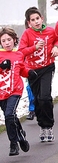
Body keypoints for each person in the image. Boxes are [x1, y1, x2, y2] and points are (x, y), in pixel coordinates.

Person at [19, 7, 58, 142]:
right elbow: (21, 52)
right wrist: (34, 48)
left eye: (37, 18)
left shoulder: (50, 31)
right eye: (33, 20)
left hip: (47, 67)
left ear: (42, 18)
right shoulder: (27, 34)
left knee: (45, 97)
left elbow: (57, 41)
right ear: (29, 22)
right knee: (37, 100)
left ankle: (49, 126)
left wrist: (56, 47)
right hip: (33, 70)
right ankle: (42, 125)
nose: (36, 22)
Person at [0, 27, 30, 156]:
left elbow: (22, 70)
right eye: (4, 41)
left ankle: (13, 143)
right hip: (2, 91)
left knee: (9, 115)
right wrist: (1, 67)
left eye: (9, 40)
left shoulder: (19, 54)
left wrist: (30, 73)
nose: (7, 43)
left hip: (15, 90)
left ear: (14, 40)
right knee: (11, 116)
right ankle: (21, 136)